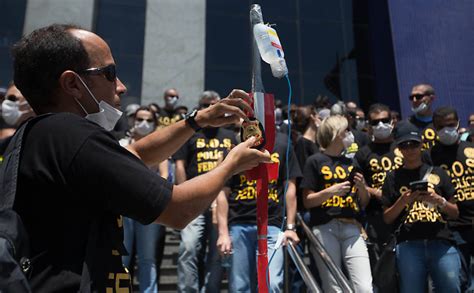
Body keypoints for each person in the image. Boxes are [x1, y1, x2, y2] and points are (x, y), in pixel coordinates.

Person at [8, 24, 271, 292]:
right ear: (72, 84)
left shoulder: (45, 135)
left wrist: (197, 120)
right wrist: (231, 164)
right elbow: (178, 210)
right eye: (109, 73)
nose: (121, 86)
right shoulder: (72, 134)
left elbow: (133, 155)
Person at [216, 131, 301, 292]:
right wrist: (223, 232)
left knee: (273, 283)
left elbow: (290, 188)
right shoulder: (234, 149)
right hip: (239, 222)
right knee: (240, 286)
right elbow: (223, 193)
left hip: (272, 223)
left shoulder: (283, 145)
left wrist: (290, 227)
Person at [382, 121, 461, 293]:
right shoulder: (392, 178)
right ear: (399, 149)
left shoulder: (439, 173)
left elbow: (455, 213)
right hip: (408, 242)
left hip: (441, 239)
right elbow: (387, 217)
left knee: (451, 287)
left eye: (414, 144)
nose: (410, 149)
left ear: (422, 145)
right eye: (405, 145)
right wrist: (403, 201)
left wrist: (438, 200)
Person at [301, 115, 372, 293]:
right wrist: (330, 192)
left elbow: (363, 202)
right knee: (333, 286)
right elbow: (307, 201)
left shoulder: (352, 161)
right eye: (346, 130)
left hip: (353, 227)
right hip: (325, 228)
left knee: (364, 286)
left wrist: (363, 188)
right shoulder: (314, 161)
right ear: (335, 134)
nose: (350, 134)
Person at [174, 90, 235, 292]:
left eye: (214, 104)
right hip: (194, 199)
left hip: (222, 199)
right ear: (200, 107)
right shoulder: (191, 133)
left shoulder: (230, 135)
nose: (211, 107)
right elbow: (180, 166)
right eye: (206, 104)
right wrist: (182, 195)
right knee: (188, 248)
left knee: (217, 253)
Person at [424, 106, 474, 292]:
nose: (447, 130)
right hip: (452, 227)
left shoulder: (471, 149)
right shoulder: (429, 156)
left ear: (458, 123)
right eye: (442, 127)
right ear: (435, 129)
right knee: (460, 281)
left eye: (451, 125)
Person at [118, 106, 167, 292]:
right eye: (140, 119)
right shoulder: (122, 144)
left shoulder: (160, 145)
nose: (143, 123)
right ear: (133, 120)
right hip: (123, 208)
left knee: (148, 258)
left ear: (155, 123)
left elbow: (164, 176)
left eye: (148, 120)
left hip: (148, 209)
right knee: (122, 257)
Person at [354, 103, 403, 266]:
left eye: (384, 120)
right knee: (383, 268)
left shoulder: (404, 147)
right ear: (369, 126)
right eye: (375, 122)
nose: (381, 125)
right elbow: (359, 183)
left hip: (407, 213)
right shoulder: (363, 153)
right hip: (376, 215)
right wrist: (375, 192)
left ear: (392, 121)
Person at [407, 83, 437, 150]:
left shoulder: (441, 123)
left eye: (418, 96)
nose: (414, 100)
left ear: (431, 98)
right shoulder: (406, 125)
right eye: (412, 98)